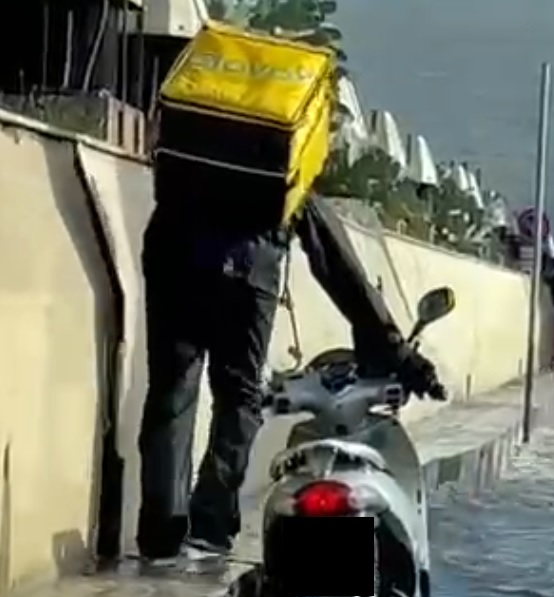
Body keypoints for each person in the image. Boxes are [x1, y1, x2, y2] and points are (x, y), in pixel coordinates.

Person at [137, 196, 447, 564]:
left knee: (171, 395)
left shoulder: (198, 144)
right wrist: (395, 351)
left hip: (173, 255)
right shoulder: (287, 153)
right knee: (239, 398)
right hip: (249, 269)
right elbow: (335, 261)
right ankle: (209, 530)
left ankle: (161, 539)